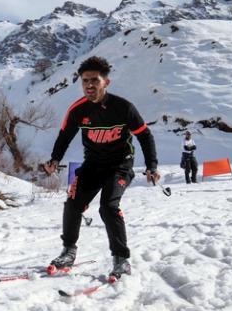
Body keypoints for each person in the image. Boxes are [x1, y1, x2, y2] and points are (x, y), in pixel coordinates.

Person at [43, 56, 160, 282]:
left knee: (108, 207)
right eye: (85, 80)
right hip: (93, 166)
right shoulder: (78, 110)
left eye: (94, 80)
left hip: (120, 166)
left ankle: (121, 259)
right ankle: (69, 252)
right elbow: (65, 136)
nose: (89, 85)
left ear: (106, 82)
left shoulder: (123, 108)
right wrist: (55, 159)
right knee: (73, 203)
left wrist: (151, 166)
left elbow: (145, 136)